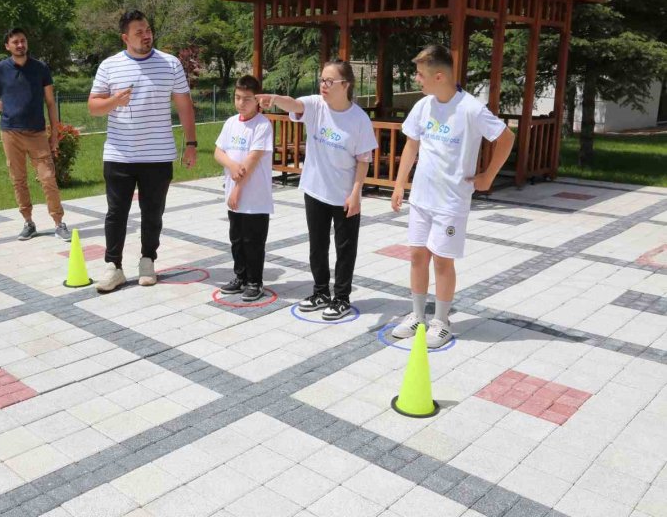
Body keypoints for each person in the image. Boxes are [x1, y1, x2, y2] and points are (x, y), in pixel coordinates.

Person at [391, 44, 515, 348]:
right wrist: (399, 183)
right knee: (418, 256)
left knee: (443, 262)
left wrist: (488, 175)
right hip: (422, 199)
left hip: (451, 202)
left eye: (420, 75)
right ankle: (418, 314)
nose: (416, 80)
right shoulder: (423, 106)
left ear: (438, 76)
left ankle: (442, 320)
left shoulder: (470, 108)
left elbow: (506, 137)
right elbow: (411, 145)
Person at [257, 60, 378, 320]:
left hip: (344, 195)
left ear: (345, 85)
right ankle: (321, 292)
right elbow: (294, 104)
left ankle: (342, 297)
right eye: (322, 80)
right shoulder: (316, 105)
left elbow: (364, 159)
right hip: (315, 189)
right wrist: (275, 98)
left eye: (329, 81)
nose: (323, 85)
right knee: (317, 245)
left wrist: (356, 192)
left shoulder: (359, 119)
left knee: (345, 248)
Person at [88, 10, 197, 293]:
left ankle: (148, 260)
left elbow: (184, 104)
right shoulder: (109, 66)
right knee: (116, 212)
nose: (146, 35)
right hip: (119, 155)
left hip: (158, 155)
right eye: (139, 32)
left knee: (152, 212)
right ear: (125, 37)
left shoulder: (170, 64)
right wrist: (114, 100)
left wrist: (192, 143)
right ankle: (114, 267)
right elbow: (93, 107)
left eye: (148, 29)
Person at [0, 28, 68, 241]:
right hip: (10, 133)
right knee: (18, 179)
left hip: (37, 133)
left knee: (48, 178)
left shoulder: (40, 68)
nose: (20, 45)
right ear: (8, 46)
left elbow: (50, 102)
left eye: (23, 41)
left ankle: (59, 223)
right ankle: (28, 223)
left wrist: (54, 133)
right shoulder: (0, 69)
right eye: (15, 42)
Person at [214, 75, 274, 302]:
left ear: (258, 100)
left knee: (253, 241)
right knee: (236, 239)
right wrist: (230, 164)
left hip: (254, 197)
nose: (241, 103)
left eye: (247, 99)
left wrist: (237, 188)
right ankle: (240, 277)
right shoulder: (230, 123)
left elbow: (253, 159)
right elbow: (218, 152)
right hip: (233, 195)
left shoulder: (262, 125)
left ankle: (254, 281)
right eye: (238, 98)